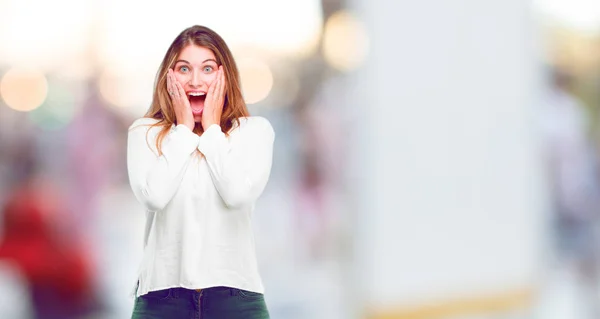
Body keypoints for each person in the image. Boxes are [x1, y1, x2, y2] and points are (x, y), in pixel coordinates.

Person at [126, 25, 274, 319]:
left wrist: (212, 129)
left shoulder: (254, 132)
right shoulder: (145, 132)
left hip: (236, 297)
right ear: (169, 77)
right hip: (161, 299)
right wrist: (182, 130)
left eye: (207, 68)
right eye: (184, 68)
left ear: (224, 76)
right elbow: (154, 197)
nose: (195, 80)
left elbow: (237, 194)